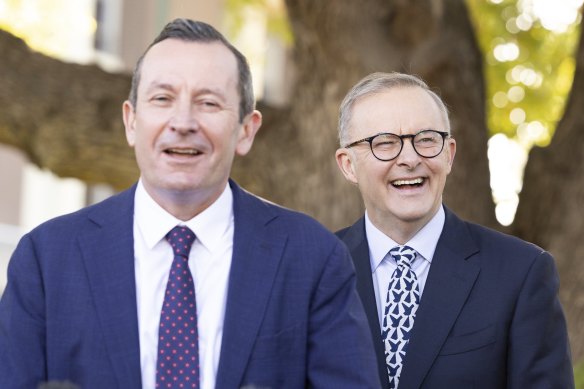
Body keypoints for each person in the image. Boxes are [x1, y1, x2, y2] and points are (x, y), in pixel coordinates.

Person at [0, 19, 381, 389]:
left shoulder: (312, 257)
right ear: (132, 122)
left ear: (246, 130)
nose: (182, 121)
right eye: (162, 99)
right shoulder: (47, 259)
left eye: (208, 102)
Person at [334, 72, 574, 389]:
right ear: (348, 164)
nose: (409, 158)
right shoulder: (312, 268)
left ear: (449, 154)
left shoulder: (520, 273)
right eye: (385, 143)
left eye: (427, 140)